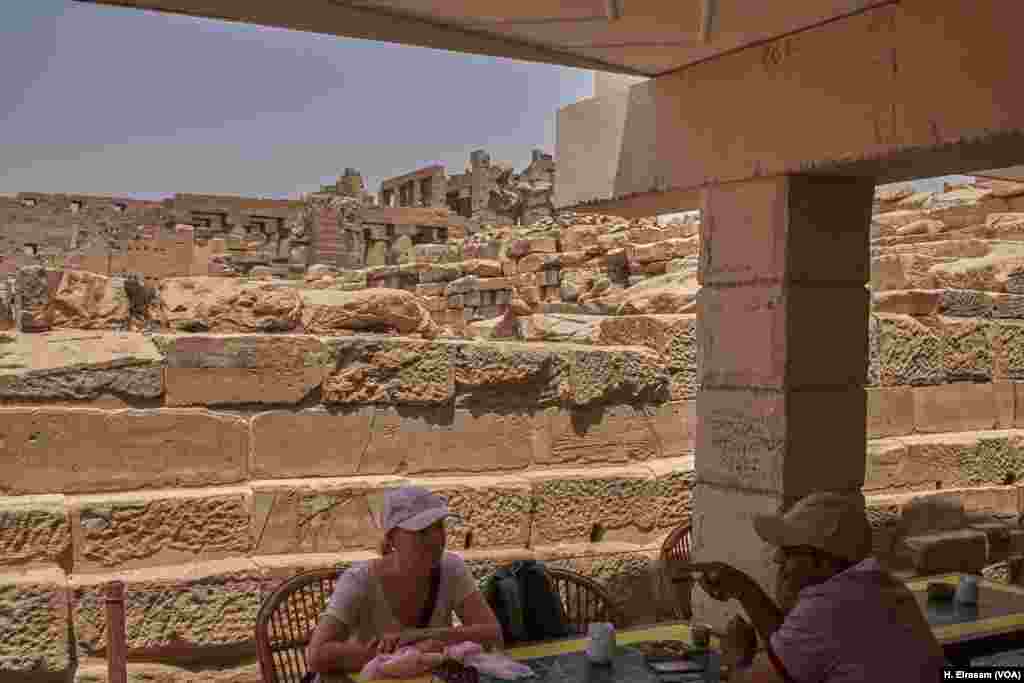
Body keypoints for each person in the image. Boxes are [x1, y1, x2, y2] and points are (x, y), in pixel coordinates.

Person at [690, 491, 945, 682]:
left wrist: (735, 659)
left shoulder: (827, 607)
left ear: (822, 560)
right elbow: (801, 651)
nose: (778, 559)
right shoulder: (878, 585)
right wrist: (744, 588)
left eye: (790, 552)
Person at [306, 486, 503, 676]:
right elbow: (317, 655)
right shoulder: (359, 580)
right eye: (422, 531)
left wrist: (425, 636)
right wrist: (407, 655)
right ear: (392, 538)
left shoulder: (452, 568)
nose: (436, 539)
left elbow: (493, 636)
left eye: (439, 527)